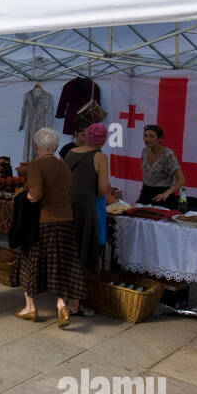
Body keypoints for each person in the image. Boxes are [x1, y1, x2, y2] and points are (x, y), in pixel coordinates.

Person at [15, 127, 86, 327]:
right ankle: (61, 304)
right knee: (59, 264)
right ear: (55, 146)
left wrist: (24, 195)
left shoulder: (36, 165)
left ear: (36, 145)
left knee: (31, 263)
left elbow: (35, 195)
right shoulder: (64, 166)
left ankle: (30, 308)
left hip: (43, 221)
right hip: (65, 220)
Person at [66, 122, 113, 292]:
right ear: (102, 140)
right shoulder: (100, 157)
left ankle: (67, 288)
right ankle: (80, 292)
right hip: (88, 207)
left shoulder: (71, 153)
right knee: (86, 248)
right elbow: (101, 189)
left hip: (69, 205)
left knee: (72, 246)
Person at [138, 124, 186, 208]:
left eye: (151, 136)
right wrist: (140, 196)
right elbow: (146, 175)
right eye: (145, 136)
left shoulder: (168, 154)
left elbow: (181, 180)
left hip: (162, 194)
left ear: (160, 139)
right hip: (145, 193)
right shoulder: (144, 152)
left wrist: (166, 193)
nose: (147, 139)